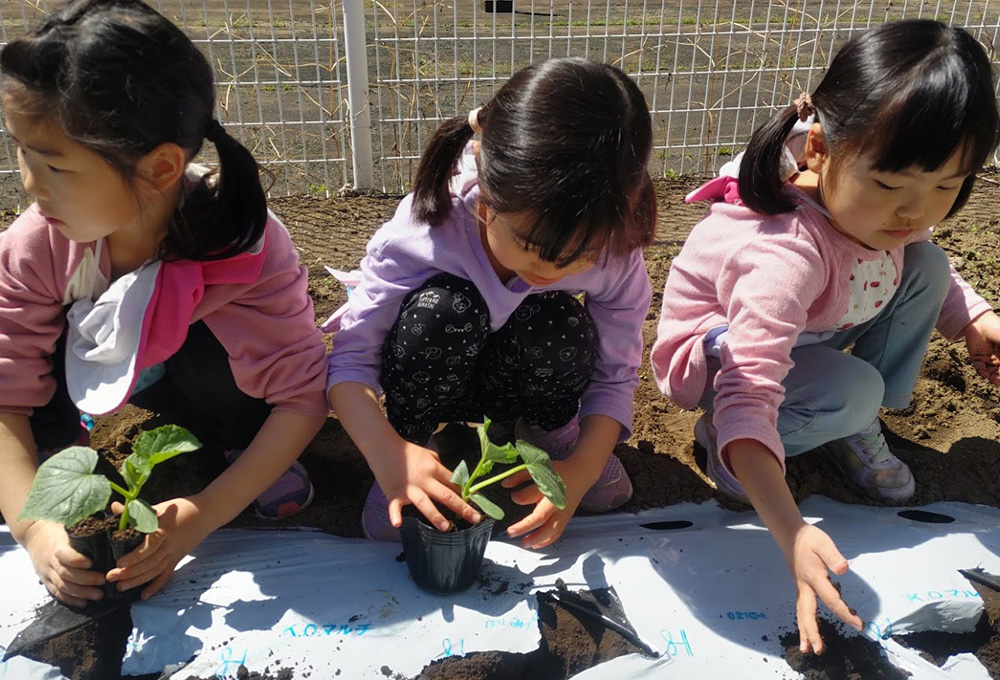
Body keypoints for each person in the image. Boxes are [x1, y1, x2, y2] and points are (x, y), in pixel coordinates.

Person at [651, 20, 1000, 655]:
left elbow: (917, 246)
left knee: (924, 265)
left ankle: (850, 421)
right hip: (724, 360)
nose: (915, 211)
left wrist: (976, 319)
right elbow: (749, 385)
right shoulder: (783, 255)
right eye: (892, 186)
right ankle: (727, 451)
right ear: (818, 148)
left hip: (815, 324)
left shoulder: (873, 211)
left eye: (946, 187)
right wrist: (789, 533)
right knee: (851, 389)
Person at [0, 0, 329, 607]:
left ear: (159, 168)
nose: (29, 184)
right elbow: (5, 390)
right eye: (22, 152)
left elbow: (302, 396)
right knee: (34, 413)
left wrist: (205, 512)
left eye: (54, 165)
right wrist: (34, 526)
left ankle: (238, 445)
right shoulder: (36, 244)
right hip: (123, 382)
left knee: (222, 362)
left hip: (211, 384)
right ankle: (62, 460)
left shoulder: (241, 246)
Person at [326, 57, 655, 549]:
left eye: (579, 256)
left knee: (559, 321)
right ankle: (418, 442)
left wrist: (582, 468)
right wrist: (387, 452)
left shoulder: (613, 245)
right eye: (530, 244)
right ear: (486, 197)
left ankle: (551, 433)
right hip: (433, 375)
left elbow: (616, 371)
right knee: (443, 309)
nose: (553, 270)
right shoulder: (428, 230)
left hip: (517, 382)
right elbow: (351, 359)